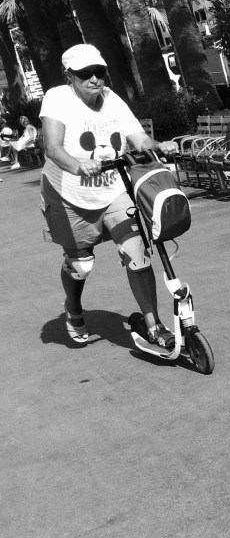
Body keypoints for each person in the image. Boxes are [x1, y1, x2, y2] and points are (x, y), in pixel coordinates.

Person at [40, 43, 179, 346]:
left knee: (138, 254)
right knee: (81, 265)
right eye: (84, 73)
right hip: (68, 194)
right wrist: (78, 165)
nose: (94, 78)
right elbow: (52, 147)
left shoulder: (113, 99)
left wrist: (158, 146)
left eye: (99, 71)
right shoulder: (57, 98)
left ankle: (155, 326)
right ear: (69, 75)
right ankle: (74, 308)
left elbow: (138, 138)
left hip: (113, 190)